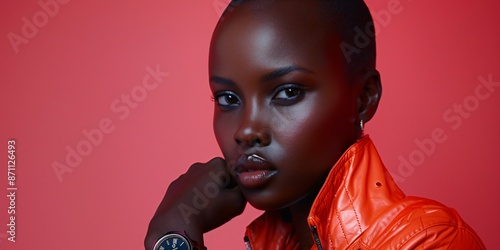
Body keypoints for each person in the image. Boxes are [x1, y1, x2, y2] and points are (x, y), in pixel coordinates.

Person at [145, 0, 486, 249]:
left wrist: (173, 235)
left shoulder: (426, 240)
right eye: (228, 99)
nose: (246, 131)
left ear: (364, 97)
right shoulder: (267, 242)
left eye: (288, 92)